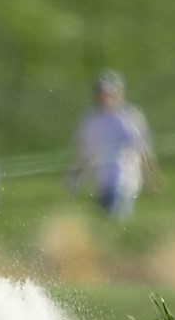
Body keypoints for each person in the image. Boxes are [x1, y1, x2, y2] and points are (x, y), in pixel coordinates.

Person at [67, 69, 159, 219]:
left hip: (124, 181)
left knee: (115, 219)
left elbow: (143, 150)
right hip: (101, 183)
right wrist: (75, 178)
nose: (105, 98)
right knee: (104, 225)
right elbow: (85, 153)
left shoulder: (130, 118)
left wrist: (152, 178)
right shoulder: (92, 121)